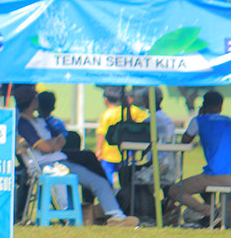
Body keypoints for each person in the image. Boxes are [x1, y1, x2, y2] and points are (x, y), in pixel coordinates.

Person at [14, 86, 138, 227]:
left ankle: (117, 217)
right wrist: (52, 145)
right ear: (31, 101)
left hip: (61, 161)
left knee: (98, 182)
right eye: (35, 97)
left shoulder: (41, 120)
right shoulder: (23, 124)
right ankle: (70, 219)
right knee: (63, 185)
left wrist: (52, 146)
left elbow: (62, 139)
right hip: (45, 167)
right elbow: (46, 147)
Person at [167, 90, 231, 222]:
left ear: (204, 105)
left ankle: (209, 211)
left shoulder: (198, 121)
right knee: (204, 187)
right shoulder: (228, 121)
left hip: (216, 175)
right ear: (221, 106)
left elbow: (185, 141)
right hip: (225, 174)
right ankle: (218, 216)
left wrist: (200, 115)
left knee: (174, 191)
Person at [95, 87, 147, 186]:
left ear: (105, 100)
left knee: (107, 178)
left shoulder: (107, 114)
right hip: (127, 151)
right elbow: (143, 125)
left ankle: (110, 194)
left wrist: (98, 150)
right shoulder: (134, 111)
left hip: (108, 153)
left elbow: (101, 133)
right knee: (126, 178)